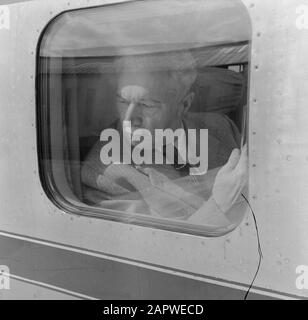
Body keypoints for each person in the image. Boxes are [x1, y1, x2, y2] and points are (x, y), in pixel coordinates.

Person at [81, 51, 248, 229]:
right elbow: (152, 250)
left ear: (184, 105)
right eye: (122, 102)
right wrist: (219, 205)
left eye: (146, 105)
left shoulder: (220, 126)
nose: (128, 119)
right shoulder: (103, 172)